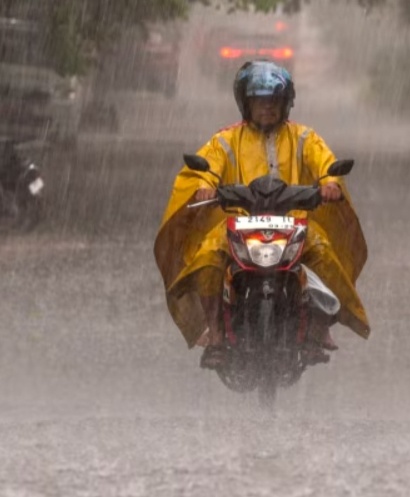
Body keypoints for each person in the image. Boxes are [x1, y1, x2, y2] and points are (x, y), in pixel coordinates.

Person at [153, 60, 370, 369]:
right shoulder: (226, 140)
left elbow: (325, 163)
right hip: (236, 226)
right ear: (246, 104)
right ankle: (215, 334)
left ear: (286, 103)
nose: (267, 107)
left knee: (325, 252)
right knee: (207, 256)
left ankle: (318, 327)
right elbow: (207, 168)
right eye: (259, 101)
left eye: (273, 101)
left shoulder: (304, 137)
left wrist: (330, 183)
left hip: (295, 225)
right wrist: (205, 187)